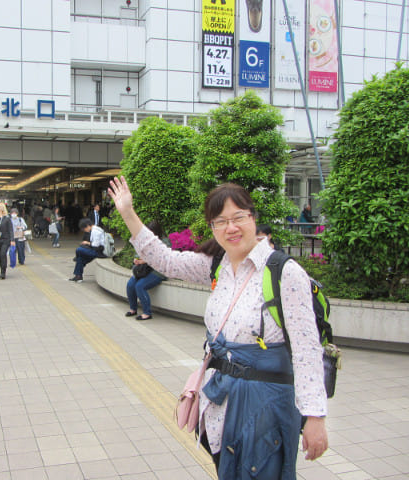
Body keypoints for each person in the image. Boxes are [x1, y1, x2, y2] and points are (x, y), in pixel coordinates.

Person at [108, 177, 328, 477]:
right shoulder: (217, 266)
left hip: (266, 404)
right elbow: (164, 259)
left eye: (239, 217)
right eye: (220, 221)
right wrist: (127, 213)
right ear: (212, 227)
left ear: (253, 218)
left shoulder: (284, 272)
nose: (231, 228)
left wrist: (314, 417)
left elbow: (305, 349)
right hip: (221, 401)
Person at [125, 221, 167, 320]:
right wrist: (136, 259)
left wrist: (144, 261)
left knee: (140, 286)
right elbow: (138, 252)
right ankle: (133, 309)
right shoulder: (145, 240)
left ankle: (147, 313)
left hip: (158, 271)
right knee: (130, 284)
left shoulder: (164, 242)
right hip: (144, 270)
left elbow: (161, 259)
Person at [68, 218, 106, 283]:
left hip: (100, 252)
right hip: (96, 250)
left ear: (88, 226)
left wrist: (87, 243)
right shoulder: (94, 229)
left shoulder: (95, 231)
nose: (85, 231)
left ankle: (77, 262)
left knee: (79, 250)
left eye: (84, 229)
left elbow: (95, 245)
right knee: (80, 258)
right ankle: (78, 276)